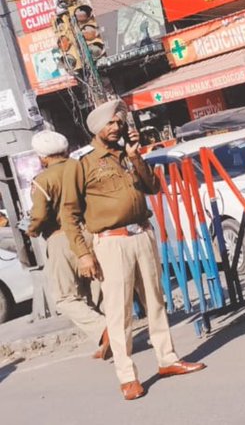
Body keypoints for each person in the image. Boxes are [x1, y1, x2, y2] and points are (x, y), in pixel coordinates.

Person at [61, 100, 206, 401]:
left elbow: (152, 187)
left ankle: (167, 359)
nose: (116, 128)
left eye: (119, 123)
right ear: (97, 128)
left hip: (142, 234)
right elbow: (69, 215)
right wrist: (84, 254)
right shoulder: (82, 164)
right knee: (119, 311)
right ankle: (127, 377)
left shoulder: (127, 155)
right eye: (110, 124)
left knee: (156, 300)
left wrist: (135, 156)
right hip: (111, 242)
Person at [24, 131, 110, 360]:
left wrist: (31, 229)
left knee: (65, 297)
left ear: (42, 157)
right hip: (91, 232)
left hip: (62, 237)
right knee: (95, 288)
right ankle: (107, 338)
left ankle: (103, 328)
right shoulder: (81, 167)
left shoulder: (42, 180)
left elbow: (40, 215)